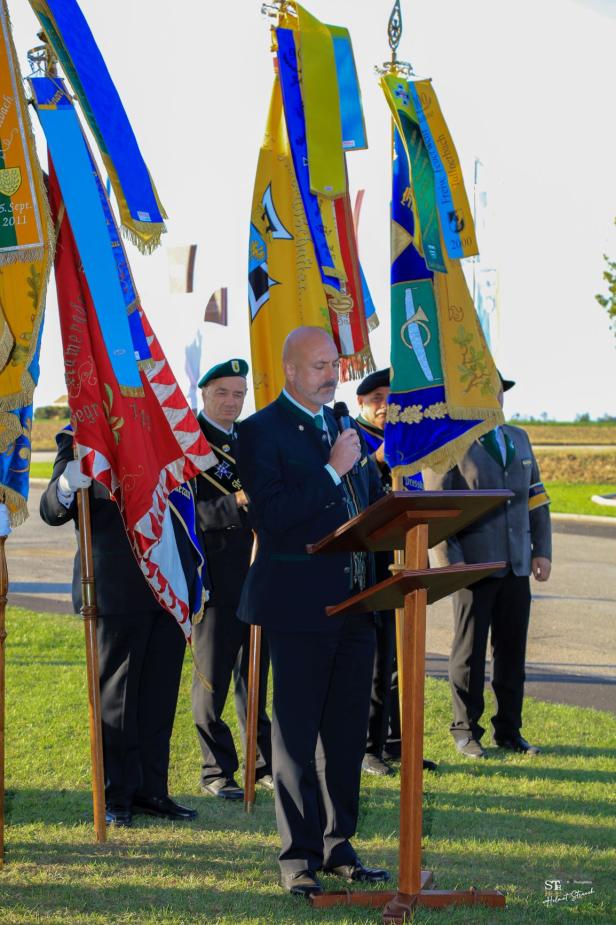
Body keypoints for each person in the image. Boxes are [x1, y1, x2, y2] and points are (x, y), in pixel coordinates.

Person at [237, 327, 389, 899]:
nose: (333, 374)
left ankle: (337, 844)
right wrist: (331, 470)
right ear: (291, 371)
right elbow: (273, 515)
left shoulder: (342, 425)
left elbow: (366, 505)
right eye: (321, 365)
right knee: (297, 736)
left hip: (356, 603)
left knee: (346, 734)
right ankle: (297, 857)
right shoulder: (259, 432)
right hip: (298, 605)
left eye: (335, 363)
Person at [40, 427, 198, 826]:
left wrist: (197, 579)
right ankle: (117, 795)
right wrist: (64, 484)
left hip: (167, 584)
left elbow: (186, 509)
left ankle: (152, 791)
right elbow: (51, 511)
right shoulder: (80, 439)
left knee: (158, 698)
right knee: (118, 700)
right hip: (116, 588)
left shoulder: (160, 432)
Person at [423, 373, 552, 759]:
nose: (492, 398)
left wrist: (541, 550)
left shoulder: (519, 438)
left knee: (512, 651)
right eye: (482, 391)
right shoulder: (451, 442)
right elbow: (438, 507)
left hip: (516, 564)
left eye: (496, 392)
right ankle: (466, 730)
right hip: (473, 567)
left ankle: (509, 730)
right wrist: (450, 564)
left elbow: (537, 499)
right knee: (470, 653)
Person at [191, 358, 272, 800]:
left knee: (255, 675)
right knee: (213, 679)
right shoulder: (188, 443)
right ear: (204, 394)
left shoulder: (252, 440)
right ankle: (215, 770)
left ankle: (262, 763)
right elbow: (183, 514)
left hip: (259, 574)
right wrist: (235, 503)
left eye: (239, 394)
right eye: (223, 392)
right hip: (215, 578)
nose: (231, 402)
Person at [356, 369, 436, 776]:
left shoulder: (410, 440)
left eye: (391, 396)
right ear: (361, 405)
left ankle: (400, 741)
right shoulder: (353, 438)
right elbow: (350, 488)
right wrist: (378, 459)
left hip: (408, 558)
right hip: (371, 563)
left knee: (404, 656)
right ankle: (369, 746)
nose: (385, 405)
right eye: (375, 398)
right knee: (376, 658)